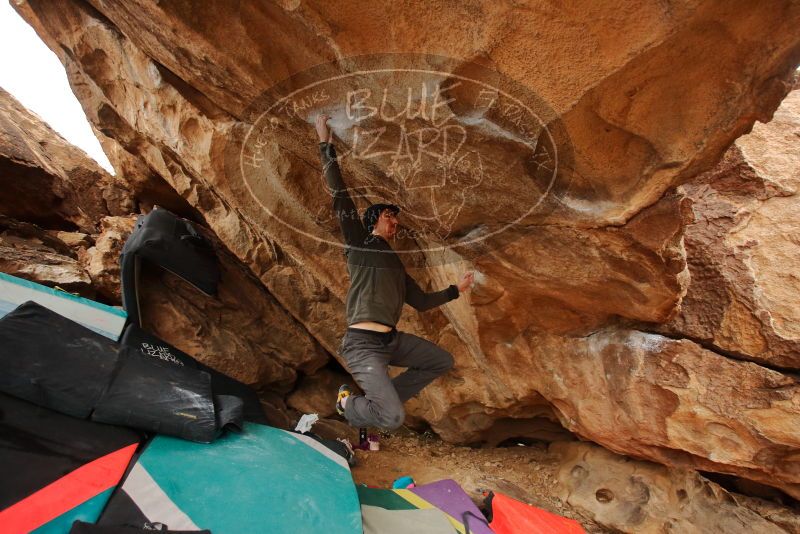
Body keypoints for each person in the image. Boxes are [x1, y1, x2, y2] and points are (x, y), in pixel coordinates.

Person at [315, 113, 474, 431]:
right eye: (389, 216)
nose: (395, 222)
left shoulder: (397, 266)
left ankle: (380, 402)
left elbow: (423, 302)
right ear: (374, 219)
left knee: (441, 360)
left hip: (391, 341)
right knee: (392, 419)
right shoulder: (360, 244)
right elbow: (340, 196)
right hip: (362, 343)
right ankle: (349, 403)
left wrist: (457, 289)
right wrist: (324, 143)